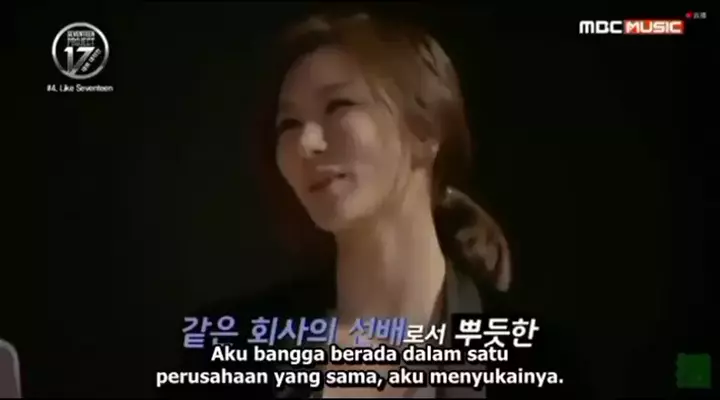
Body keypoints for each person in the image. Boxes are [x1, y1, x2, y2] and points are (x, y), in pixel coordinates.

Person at [164, 11, 581, 399]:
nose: (306, 142)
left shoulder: (535, 362)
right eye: (288, 123)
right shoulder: (227, 349)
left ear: (426, 132)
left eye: (339, 105)